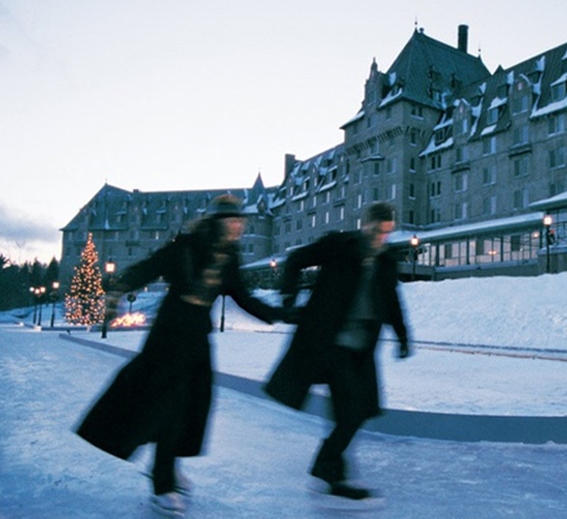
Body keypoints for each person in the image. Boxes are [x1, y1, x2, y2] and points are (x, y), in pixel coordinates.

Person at [76, 195, 284, 517]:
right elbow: (150, 267)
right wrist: (119, 287)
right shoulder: (186, 246)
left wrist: (278, 313)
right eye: (232, 221)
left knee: (192, 406)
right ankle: (163, 480)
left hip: (198, 338)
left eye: (240, 222)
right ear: (217, 223)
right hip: (169, 338)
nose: (238, 227)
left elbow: (242, 296)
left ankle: (168, 465)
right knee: (167, 406)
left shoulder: (230, 256)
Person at [264, 201, 412, 502]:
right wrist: (289, 298)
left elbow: (392, 300)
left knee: (358, 411)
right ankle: (327, 467)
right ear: (364, 224)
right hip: (331, 344)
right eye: (376, 230)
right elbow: (295, 260)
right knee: (352, 410)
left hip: (362, 348)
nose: (380, 238)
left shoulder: (386, 260)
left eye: (386, 233)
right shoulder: (338, 245)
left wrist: (403, 336)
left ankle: (332, 464)